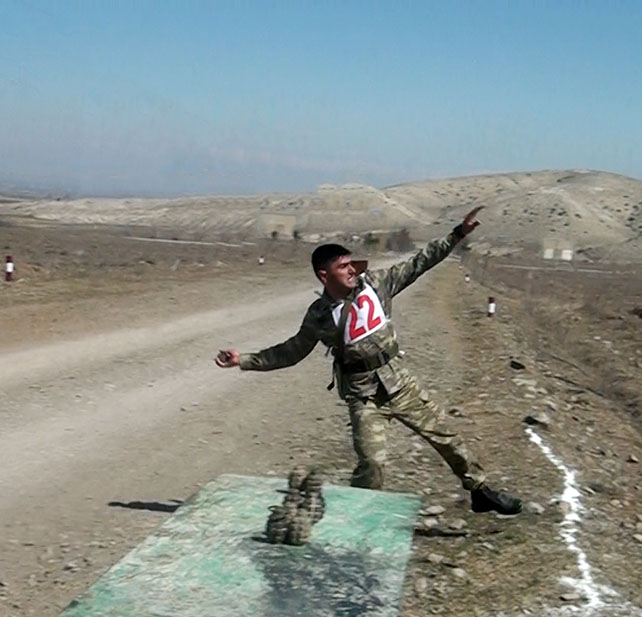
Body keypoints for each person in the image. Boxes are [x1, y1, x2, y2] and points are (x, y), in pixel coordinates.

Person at [215, 206, 522, 514]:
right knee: (372, 463)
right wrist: (244, 359)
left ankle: (481, 492)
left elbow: (421, 261)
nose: (352, 270)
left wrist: (457, 234)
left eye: (352, 264)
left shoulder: (376, 284)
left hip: (401, 384)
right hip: (364, 397)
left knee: (447, 439)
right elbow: (291, 351)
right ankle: (358, 515)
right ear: (324, 275)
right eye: (343, 266)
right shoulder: (319, 316)